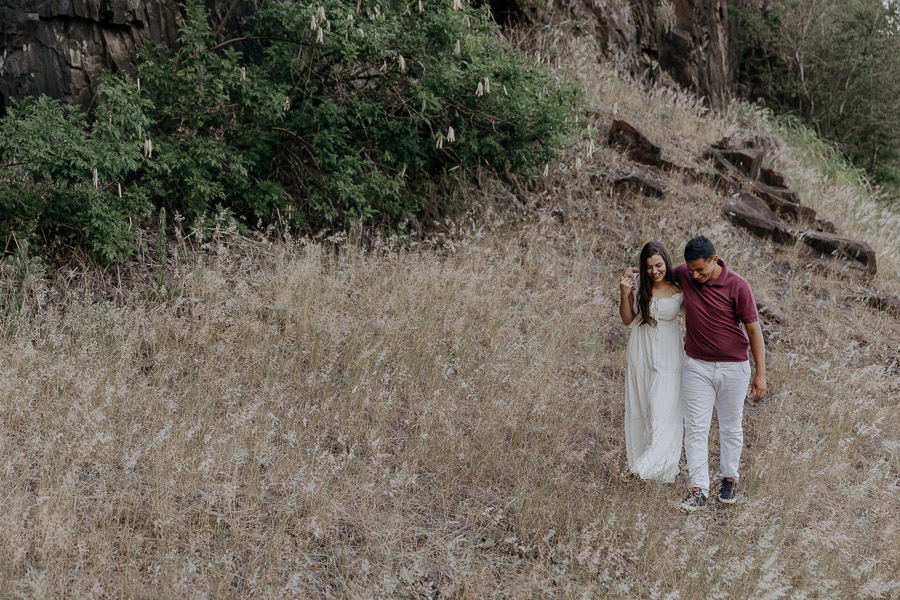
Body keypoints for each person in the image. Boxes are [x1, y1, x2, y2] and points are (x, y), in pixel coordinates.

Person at [673, 237, 767, 510]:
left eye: (700, 269)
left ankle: (729, 479)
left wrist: (761, 374)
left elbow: (754, 330)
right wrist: (632, 272)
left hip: (734, 368)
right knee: (695, 428)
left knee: (731, 426)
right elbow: (657, 271)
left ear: (715, 259)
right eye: (691, 270)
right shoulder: (685, 273)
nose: (695, 275)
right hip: (696, 366)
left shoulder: (738, 285)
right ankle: (699, 489)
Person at [618, 241, 684, 482]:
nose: (654, 271)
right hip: (641, 352)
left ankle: (650, 466)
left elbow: (693, 316)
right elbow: (627, 320)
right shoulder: (637, 284)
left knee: (662, 408)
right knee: (642, 406)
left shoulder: (679, 286)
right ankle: (640, 459)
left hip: (669, 355)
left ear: (666, 262)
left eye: (658, 265)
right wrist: (625, 295)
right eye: (648, 267)